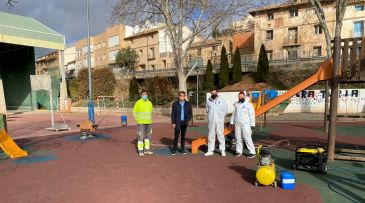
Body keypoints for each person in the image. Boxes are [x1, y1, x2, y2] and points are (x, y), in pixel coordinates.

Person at [230, 91, 256, 158]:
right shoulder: (236, 104)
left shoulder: (249, 104)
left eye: (242, 96)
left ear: (244, 96)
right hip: (237, 124)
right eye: (239, 96)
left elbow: (252, 115)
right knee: (238, 138)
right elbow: (234, 114)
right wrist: (232, 122)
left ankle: (252, 152)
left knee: (247, 138)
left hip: (246, 124)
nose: (241, 97)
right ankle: (238, 151)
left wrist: (252, 124)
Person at [205, 88, 228, 156]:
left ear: (217, 93)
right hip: (211, 121)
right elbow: (207, 110)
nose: (213, 94)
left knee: (220, 135)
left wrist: (221, 117)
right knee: (211, 135)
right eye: (212, 93)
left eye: (214, 93)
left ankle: (222, 150)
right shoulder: (208, 100)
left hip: (219, 121)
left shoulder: (222, 100)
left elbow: (225, 109)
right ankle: (210, 150)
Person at [170, 91, 192, 155]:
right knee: (176, 136)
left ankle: (182, 149)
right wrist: (173, 122)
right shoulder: (175, 104)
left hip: (185, 122)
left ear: (184, 96)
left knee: (183, 136)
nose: (181, 97)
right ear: (179, 96)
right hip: (177, 122)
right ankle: (174, 149)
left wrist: (187, 120)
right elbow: (173, 114)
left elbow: (190, 114)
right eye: (180, 95)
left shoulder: (188, 104)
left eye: (183, 96)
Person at [133, 90, 153, 157]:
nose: (145, 95)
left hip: (148, 122)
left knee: (148, 137)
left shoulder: (149, 103)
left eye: (146, 94)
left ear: (147, 95)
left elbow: (150, 112)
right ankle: (141, 151)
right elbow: (134, 111)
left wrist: (150, 120)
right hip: (141, 122)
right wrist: (137, 119)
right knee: (140, 137)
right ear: (141, 95)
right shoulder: (138, 102)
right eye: (143, 94)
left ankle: (147, 150)